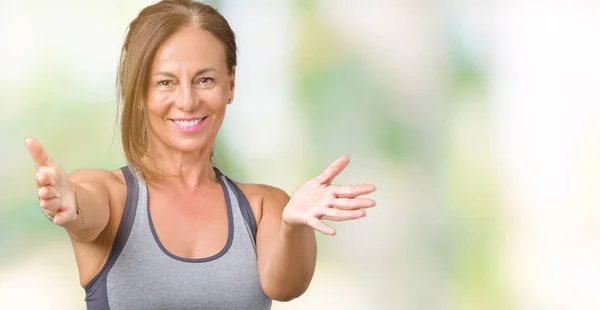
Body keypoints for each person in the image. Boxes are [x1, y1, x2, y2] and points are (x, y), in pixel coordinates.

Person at [25, 0, 376, 309]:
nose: (188, 101)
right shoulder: (107, 193)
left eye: (204, 80)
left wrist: (291, 226)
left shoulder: (264, 207)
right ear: (138, 92)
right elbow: (85, 213)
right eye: (166, 82)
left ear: (231, 84)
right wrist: (68, 204)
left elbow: (285, 288)